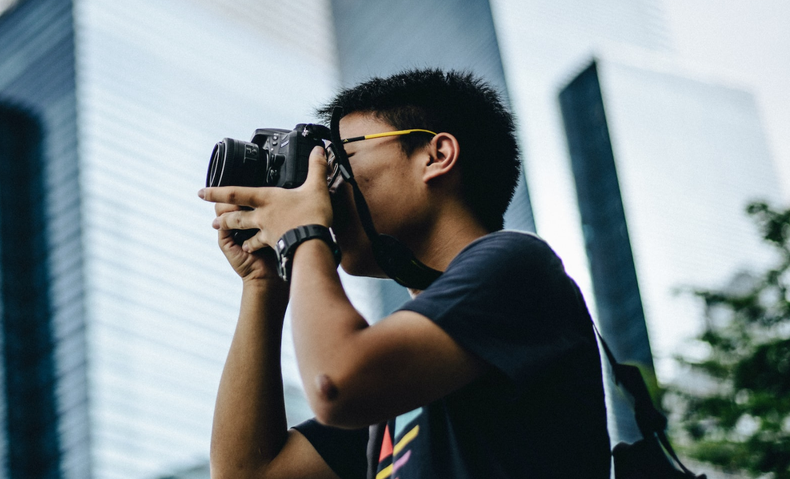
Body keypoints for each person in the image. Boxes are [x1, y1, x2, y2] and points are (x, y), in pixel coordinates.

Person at [198, 69, 609, 479]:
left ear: (436, 156)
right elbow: (247, 473)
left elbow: (334, 383)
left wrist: (301, 234)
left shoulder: (518, 265)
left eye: (341, 160)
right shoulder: (395, 377)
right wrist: (263, 284)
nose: (326, 186)